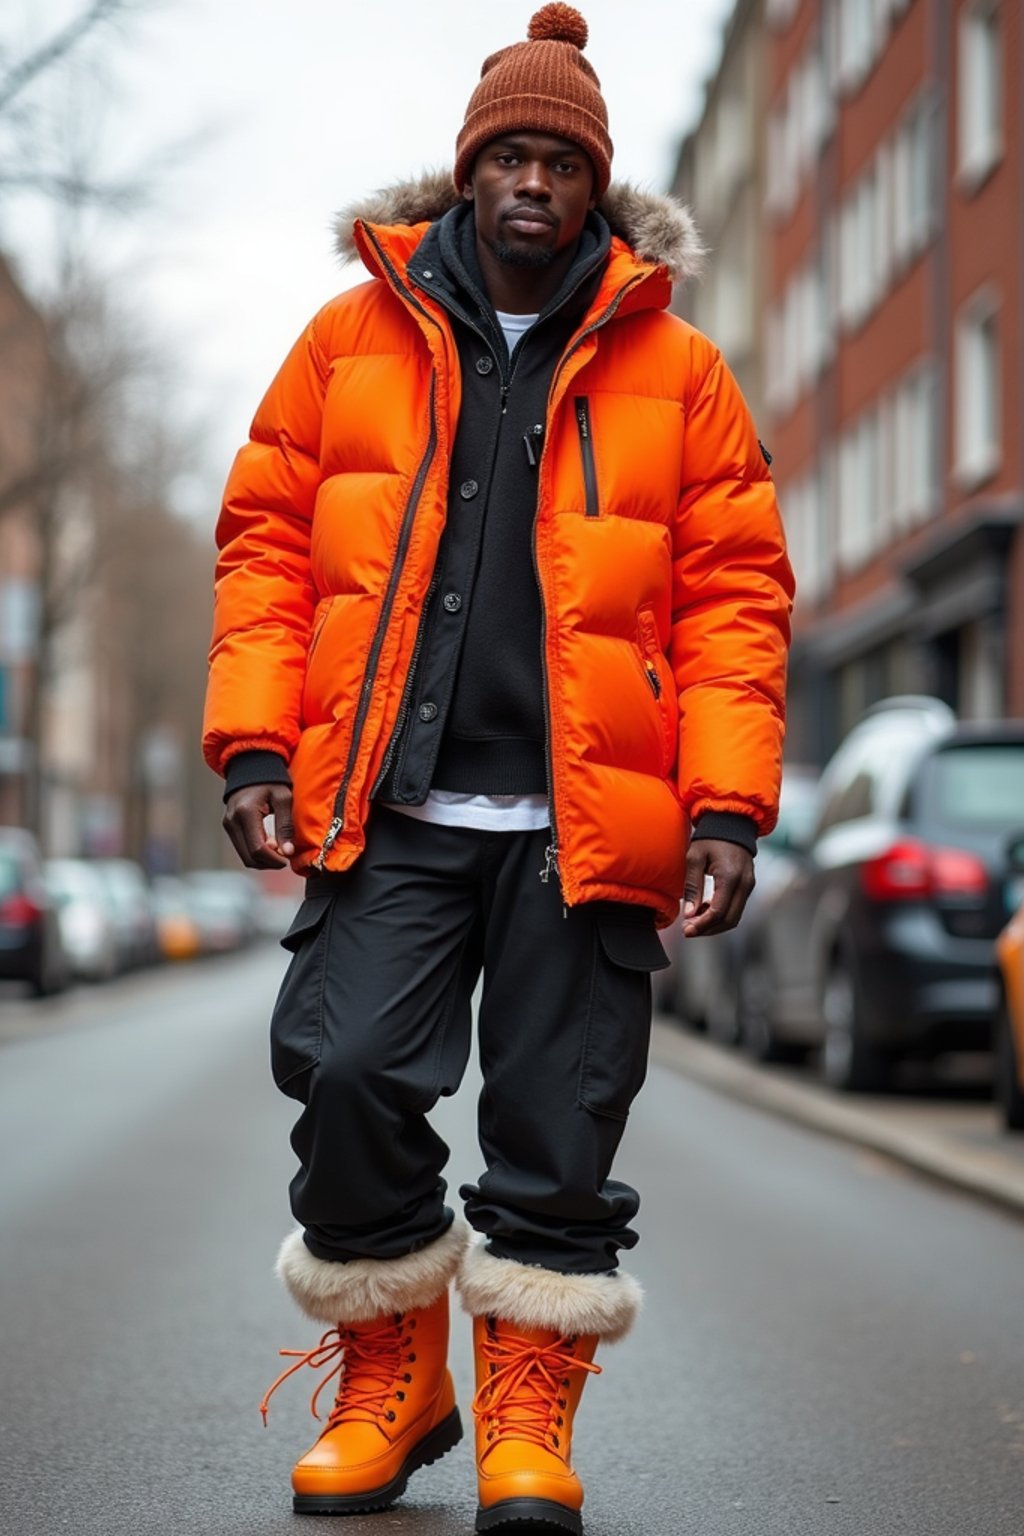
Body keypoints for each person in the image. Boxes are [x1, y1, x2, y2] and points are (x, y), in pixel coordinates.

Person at [202, 5, 794, 1530]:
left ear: (595, 190)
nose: (533, 183)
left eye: (561, 163)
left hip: (587, 822)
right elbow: (269, 550)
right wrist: (256, 739)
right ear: (467, 175)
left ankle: (531, 1412)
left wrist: (728, 801)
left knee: (556, 1124)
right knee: (342, 1076)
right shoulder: (349, 341)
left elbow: (737, 597)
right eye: (509, 156)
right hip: (385, 803)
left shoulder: (684, 368)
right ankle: (394, 1379)